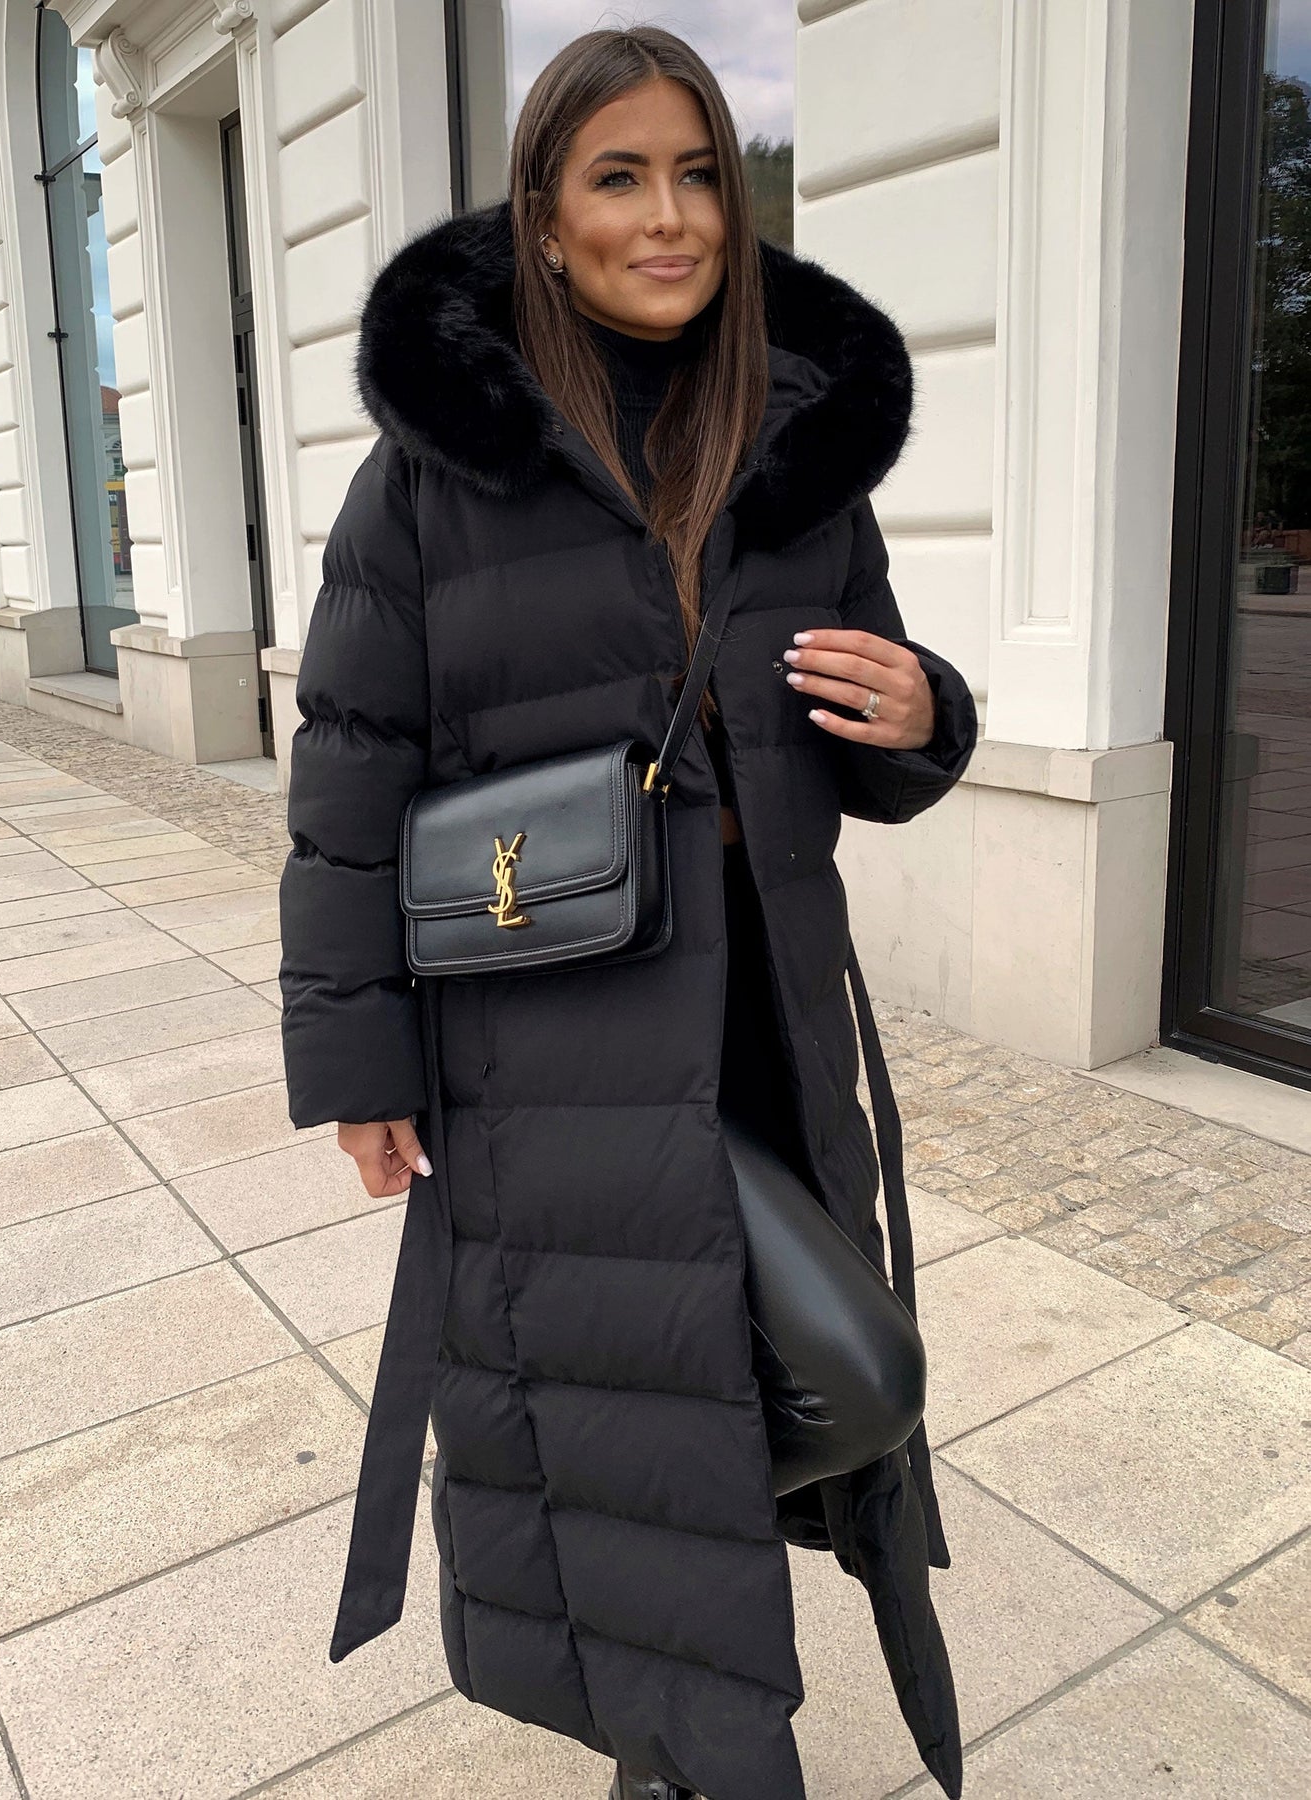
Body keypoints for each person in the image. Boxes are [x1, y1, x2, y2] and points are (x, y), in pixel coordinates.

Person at [277, 27, 977, 1800]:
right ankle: (686, 1748)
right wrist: (361, 1065)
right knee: (618, 1394)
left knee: (810, 1374)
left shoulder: (800, 447)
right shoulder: (433, 475)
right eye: (619, 178)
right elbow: (349, 780)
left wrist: (923, 713)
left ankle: (683, 1719)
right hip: (549, 1031)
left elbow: (868, 736)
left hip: (762, 1019)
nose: (669, 218)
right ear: (545, 213)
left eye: (699, 177)